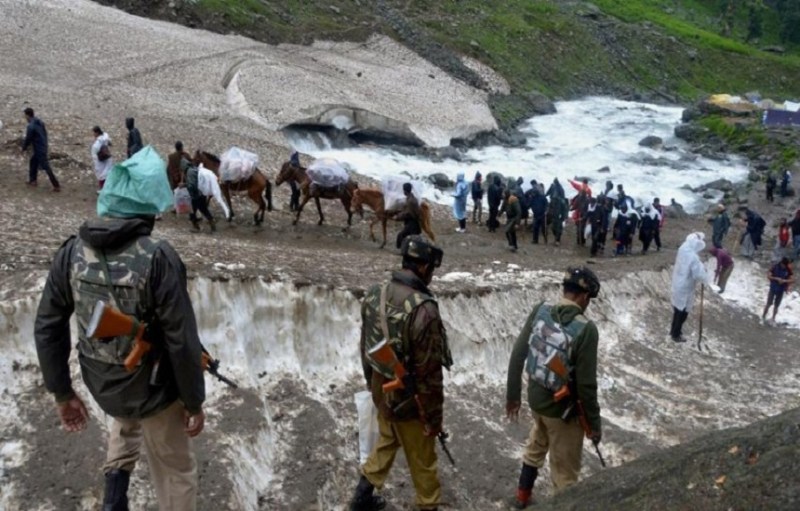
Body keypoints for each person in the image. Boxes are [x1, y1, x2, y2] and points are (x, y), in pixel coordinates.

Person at [34, 177, 206, 510]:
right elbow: (181, 341)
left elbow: (47, 324)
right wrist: (193, 402)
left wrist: (62, 393)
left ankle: (114, 495)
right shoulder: (158, 257)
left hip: (104, 382)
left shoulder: (71, 251)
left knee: (126, 414)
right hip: (152, 388)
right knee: (176, 471)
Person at [350, 235, 452, 511]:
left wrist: (373, 385)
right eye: (431, 268)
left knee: (387, 440)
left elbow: (366, 347)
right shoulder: (424, 310)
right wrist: (433, 420)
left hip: (382, 389)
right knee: (424, 464)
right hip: (411, 401)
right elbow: (430, 375)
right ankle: (428, 506)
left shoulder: (375, 293)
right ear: (423, 268)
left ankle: (361, 499)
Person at [506, 267, 602, 508]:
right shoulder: (586, 330)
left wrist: (513, 396)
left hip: (536, 399)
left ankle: (522, 496)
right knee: (565, 473)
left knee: (536, 444)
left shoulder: (541, 310)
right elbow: (587, 385)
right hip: (562, 411)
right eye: (589, 299)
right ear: (583, 297)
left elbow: (518, 354)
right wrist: (594, 424)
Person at [670, 232, 709, 342]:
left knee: (678, 309)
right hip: (686, 286)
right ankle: (676, 334)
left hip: (678, 283)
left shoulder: (683, 249)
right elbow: (698, 274)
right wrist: (704, 277)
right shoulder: (693, 257)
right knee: (682, 312)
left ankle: (674, 331)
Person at [21, 107, 60, 191]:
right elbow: (44, 133)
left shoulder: (30, 126)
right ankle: (33, 180)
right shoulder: (39, 121)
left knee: (46, 166)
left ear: (28, 116)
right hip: (43, 146)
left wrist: (24, 147)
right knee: (33, 162)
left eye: (25, 116)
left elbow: (28, 138)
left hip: (39, 149)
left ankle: (56, 185)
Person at [182, 159, 217, 233]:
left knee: (192, 211)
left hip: (196, 195)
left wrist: (184, 185)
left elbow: (192, 185)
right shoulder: (195, 169)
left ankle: (196, 227)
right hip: (202, 193)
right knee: (203, 210)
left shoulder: (189, 172)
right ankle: (212, 225)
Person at [762, 257, 794, 323]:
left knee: (776, 306)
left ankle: (773, 319)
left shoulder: (788, 270)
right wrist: (776, 278)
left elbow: (792, 279)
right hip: (773, 288)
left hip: (781, 290)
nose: (784, 266)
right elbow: (768, 276)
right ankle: (763, 316)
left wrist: (784, 281)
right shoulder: (775, 267)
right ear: (781, 263)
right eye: (783, 265)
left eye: (785, 265)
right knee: (769, 303)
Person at [393, 182, 422, 249]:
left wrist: (397, 217)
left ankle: (403, 251)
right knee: (410, 239)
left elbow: (407, 213)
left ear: (405, 191)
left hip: (412, 223)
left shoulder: (410, 201)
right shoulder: (412, 198)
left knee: (401, 236)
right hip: (414, 223)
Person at [91, 126, 113, 191]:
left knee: (101, 174)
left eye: (94, 133)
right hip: (107, 157)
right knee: (107, 172)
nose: (93, 134)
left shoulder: (98, 142)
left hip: (100, 160)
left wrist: (95, 159)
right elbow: (110, 143)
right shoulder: (105, 136)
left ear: (97, 132)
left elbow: (95, 151)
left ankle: (102, 190)